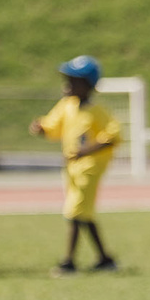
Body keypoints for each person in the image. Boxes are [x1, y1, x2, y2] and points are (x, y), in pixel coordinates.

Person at [29, 55, 119, 275]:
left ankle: (68, 262)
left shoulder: (97, 111)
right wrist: (41, 128)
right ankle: (105, 259)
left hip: (89, 169)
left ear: (88, 85)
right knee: (84, 213)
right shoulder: (66, 106)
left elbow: (112, 136)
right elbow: (53, 126)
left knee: (74, 211)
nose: (67, 85)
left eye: (73, 80)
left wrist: (85, 151)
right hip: (71, 169)